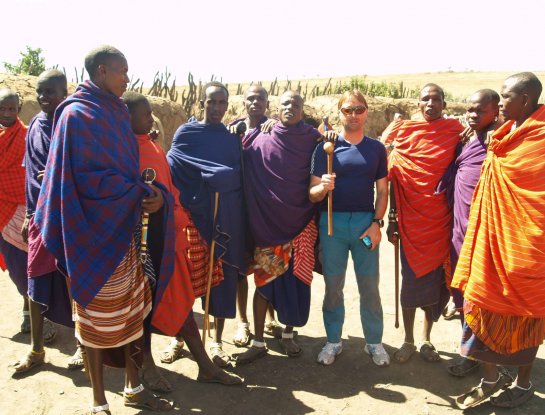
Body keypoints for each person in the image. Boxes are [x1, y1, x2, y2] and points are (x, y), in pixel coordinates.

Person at [35, 45, 172, 414]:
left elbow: (125, 168)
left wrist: (152, 195)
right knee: (93, 320)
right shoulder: (76, 116)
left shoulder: (115, 112)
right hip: (89, 236)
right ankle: (98, 400)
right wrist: (138, 190)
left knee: (132, 312)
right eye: (121, 70)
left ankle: (133, 385)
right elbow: (86, 180)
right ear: (101, 71)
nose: (127, 78)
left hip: (124, 233)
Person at [124, 91, 242, 387]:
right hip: (138, 242)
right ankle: (147, 368)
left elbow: (165, 183)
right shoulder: (121, 150)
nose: (151, 119)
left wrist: (165, 203)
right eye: (143, 114)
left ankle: (204, 365)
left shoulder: (150, 144)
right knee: (143, 305)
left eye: (151, 113)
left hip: (169, 232)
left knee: (178, 297)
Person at [452, 72, 545, 409]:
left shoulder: (541, 139)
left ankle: (523, 382)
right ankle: (490, 378)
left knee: (526, 317)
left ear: (525, 100)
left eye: (506, 97)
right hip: (489, 244)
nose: (500, 102)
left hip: (528, 248)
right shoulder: (503, 134)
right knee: (479, 302)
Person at [236, 91, 327, 364]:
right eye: (286, 104)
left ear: (302, 110)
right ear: (278, 109)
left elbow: (328, 150)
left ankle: (288, 335)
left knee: (298, 280)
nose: (291, 108)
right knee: (265, 284)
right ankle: (258, 341)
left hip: (301, 225)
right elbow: (240, 156)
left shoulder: (312, 137)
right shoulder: (261, 135)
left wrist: (331, 137)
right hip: (268, 225)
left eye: (296, 105)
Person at [167, 81, 246, 368]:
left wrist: (221, 177)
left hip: (221, 219)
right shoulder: (186, 133)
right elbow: (174, 166)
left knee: (221, 280)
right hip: (191, 217)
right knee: (184, 281)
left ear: (227, 106)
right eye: (210, 102)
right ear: (202, 103)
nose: (215, 108)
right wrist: (213, 177)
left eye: (221, 103)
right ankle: (177, 338)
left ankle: (215, 342)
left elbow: (237, 176)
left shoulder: (229, 139)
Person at [384, 84, 464, 364]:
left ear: (444, 103)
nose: (430, 103)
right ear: (418, 103)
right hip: (410, 221)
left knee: (434, 283)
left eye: (436, 99)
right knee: (410, 282)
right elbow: (393, 178)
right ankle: (408, 340)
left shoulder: (455, 131)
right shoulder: (405, 131)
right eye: (425, 99)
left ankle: (426, 339)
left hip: (441, 221)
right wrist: (392, 219)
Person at [309, 90, 389, 366]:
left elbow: (382, 190)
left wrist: (377, 223)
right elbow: (312, 193)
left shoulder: (376, 148)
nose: (353, 115)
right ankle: (333, 341)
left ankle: (374, 342)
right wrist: (323, 187)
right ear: (339, 113)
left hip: (366, 225)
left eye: (358, 109)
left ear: (366, 112)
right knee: (333, 285)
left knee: (369, 286)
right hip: (332, 224)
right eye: (347, 110)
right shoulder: (325, 148)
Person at [12, 70, 83, 375]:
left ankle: (83, 344)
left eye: (50, 92)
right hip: (40, 217)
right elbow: (31, 178)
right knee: (35, 281)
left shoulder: (74, 125)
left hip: (69, 216)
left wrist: (56, 178)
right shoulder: (35, 128)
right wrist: (30, 213)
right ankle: (37, 350)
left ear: (64, 94)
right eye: (40, 92)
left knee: (75, 284)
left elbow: (82, 170)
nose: (43, 97)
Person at [435, 89, 501, 377]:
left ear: (495, 111)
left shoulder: (498, 141)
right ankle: (474, 353)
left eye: (480, 111)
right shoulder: (468, 139)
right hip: (459, 230)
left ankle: (476, 356)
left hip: (484, 236)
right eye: (470, 110)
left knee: (480, 296)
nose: (473, 115)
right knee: (463, 293)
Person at [227, 86, 283, 346]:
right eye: (250, 98)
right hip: (239, 209)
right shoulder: (234, 128)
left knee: (267, 264)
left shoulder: (274, 127)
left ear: (266, 102)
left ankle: (270, 318)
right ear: (244, 102)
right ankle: (243, 322)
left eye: (260, 98)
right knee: (240, 269)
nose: (254, 102)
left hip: (265, 210)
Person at [0, 89, 34, 336]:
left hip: (23, 208)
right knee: (13, 264)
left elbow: (28, 173)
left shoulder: (26, 135)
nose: (7, 113)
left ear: (19, 109)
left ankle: (30, 309)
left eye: (12, 109)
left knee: (25, 263)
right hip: (1, 209)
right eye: (2, 109)